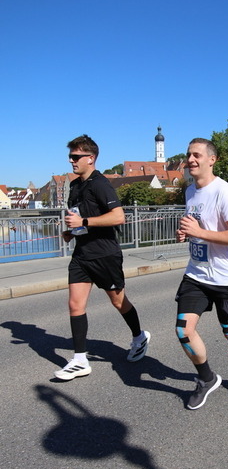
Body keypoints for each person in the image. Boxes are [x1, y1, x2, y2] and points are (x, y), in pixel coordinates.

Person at [54, 134, 150, 380]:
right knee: (75, 305)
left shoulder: (101, 184)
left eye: (76, 156)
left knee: (118, 301)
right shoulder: (75, 185)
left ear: (91, 158)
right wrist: (72, 231)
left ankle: (139, 336)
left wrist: (84, 222)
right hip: (82, 255)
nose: (71, 161)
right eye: (70, 156)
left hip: (104, 255)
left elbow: (118, 217)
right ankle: (80, 360)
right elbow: (80, 217)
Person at [175, 138, 228, 410]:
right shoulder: (189, 192)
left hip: (225, 278)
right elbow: (198, 227)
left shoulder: (225, 192)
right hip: (196, 274)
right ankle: (206, 378)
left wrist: (199, 232)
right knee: (183, 330)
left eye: (197, 155)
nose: (190, 160)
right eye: (189, 155)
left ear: (212, 160)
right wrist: (186, 233)